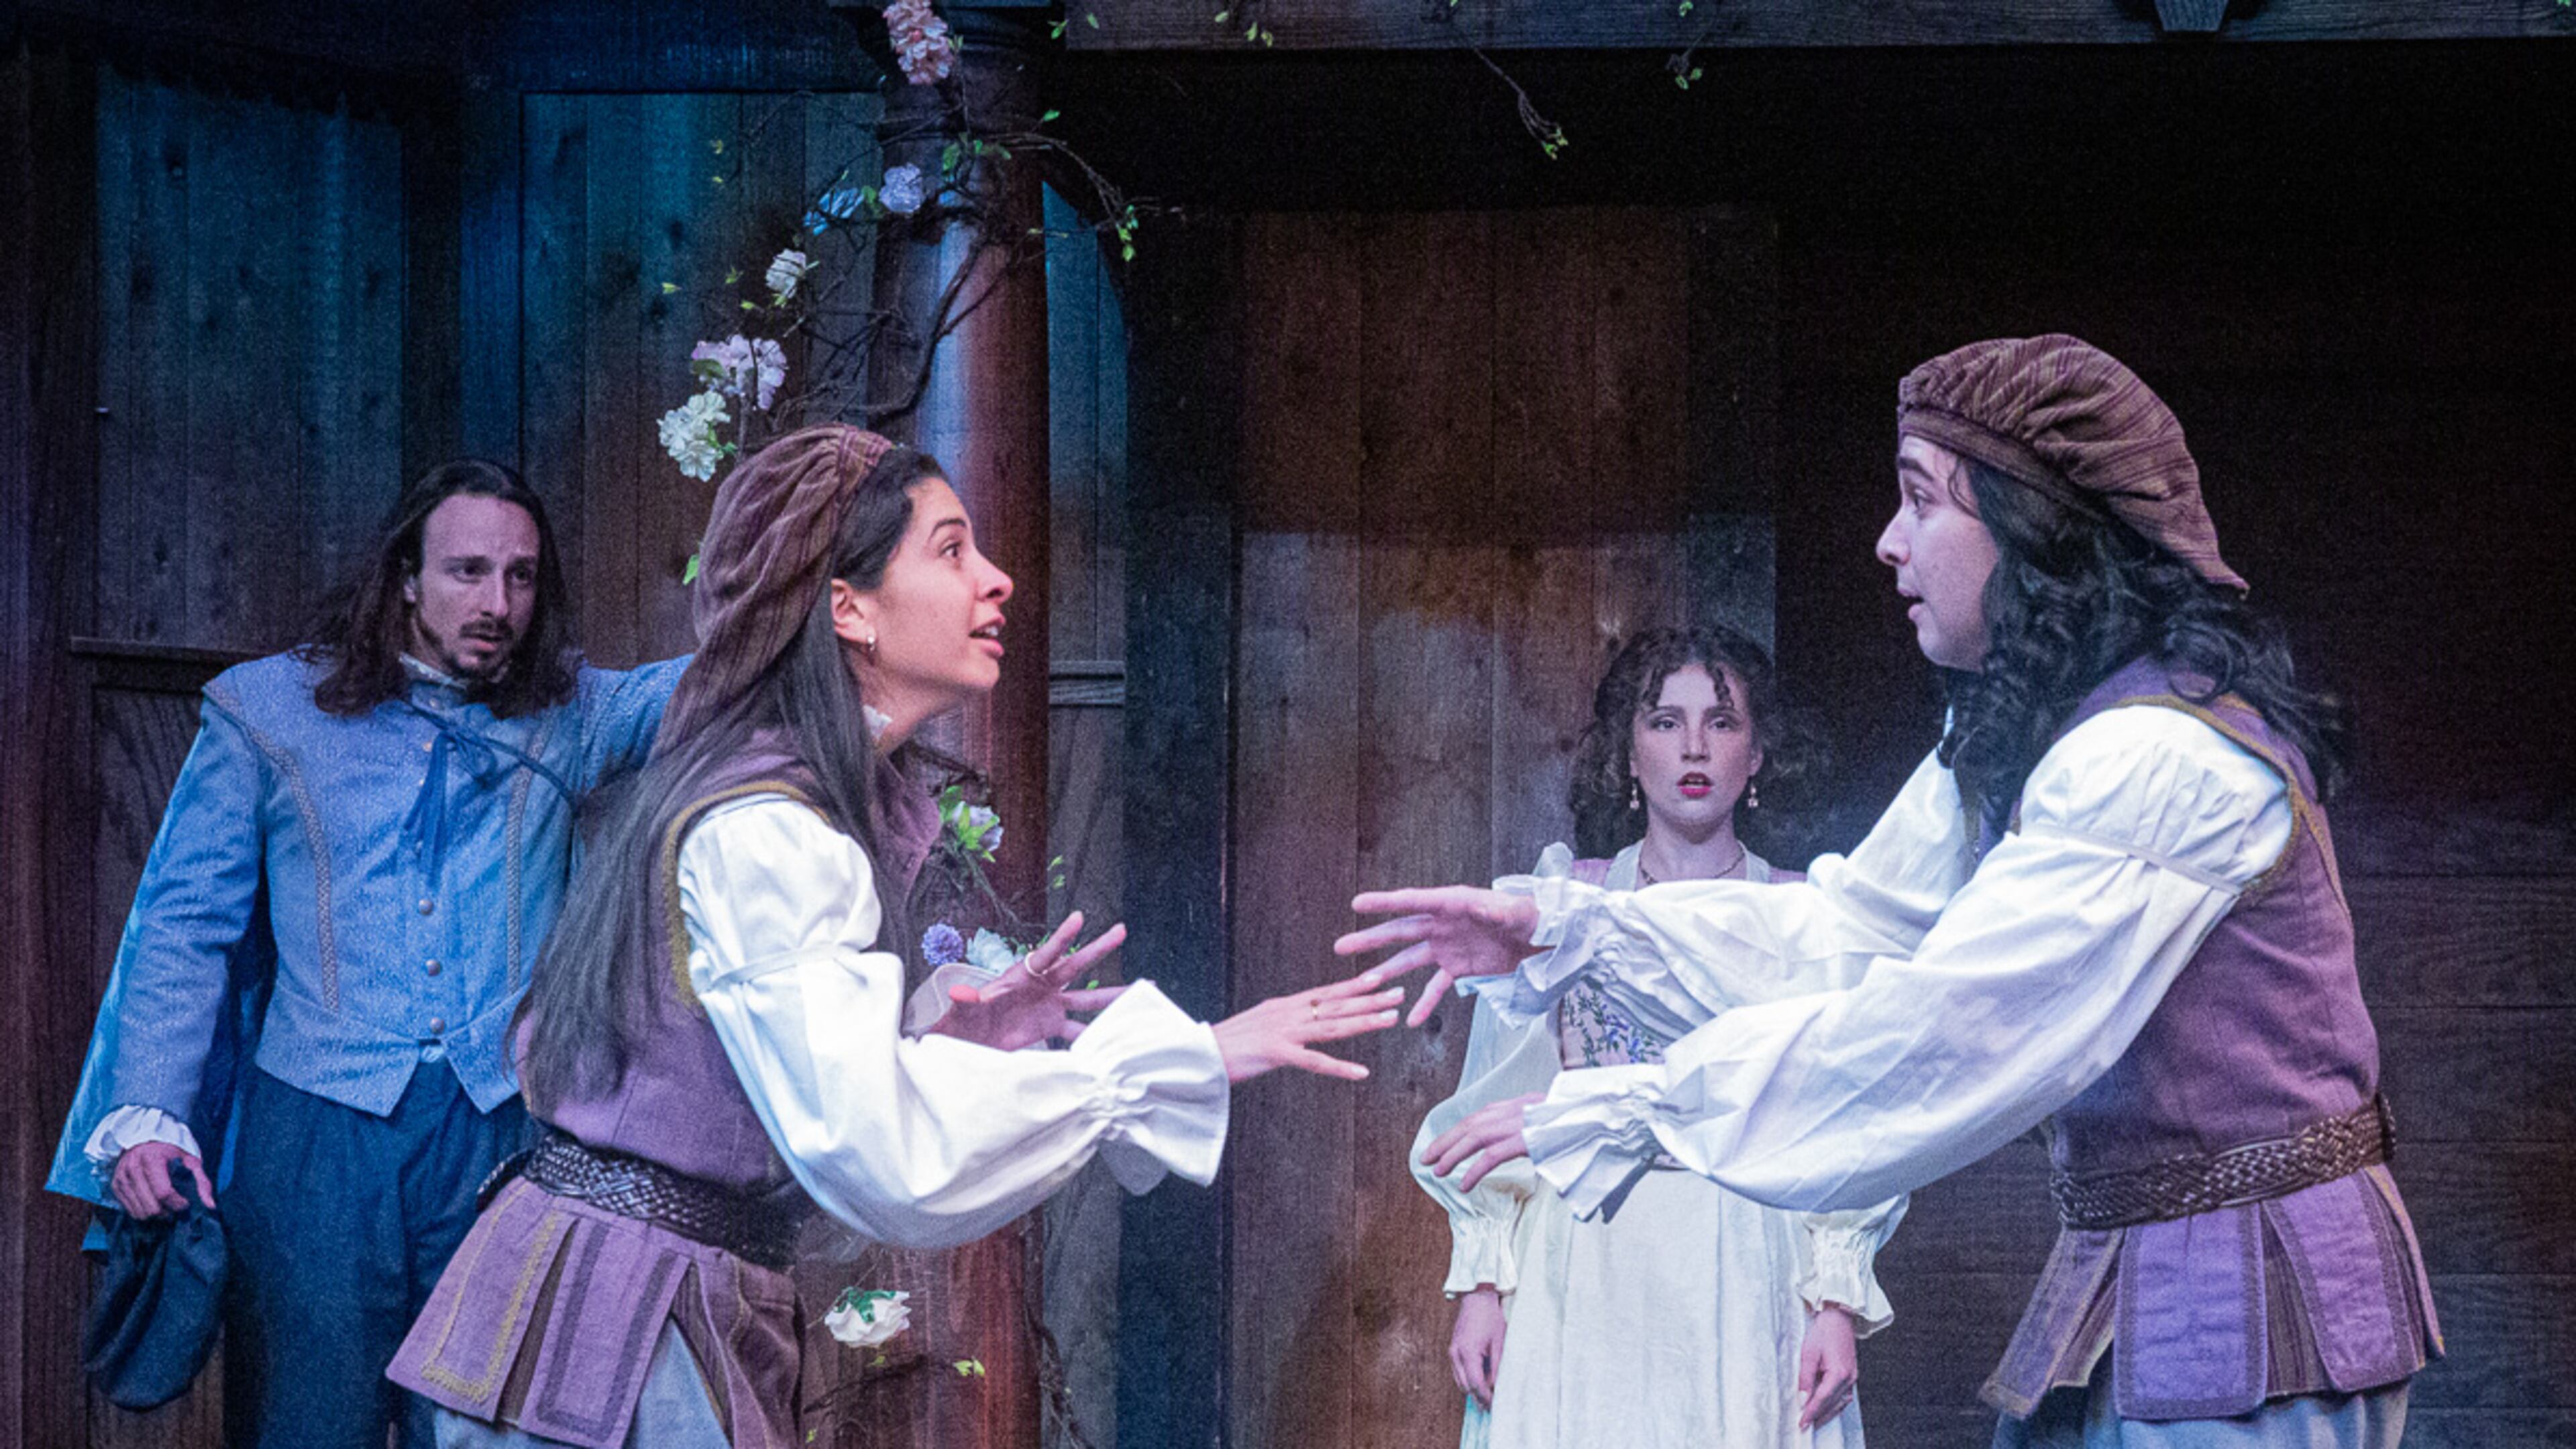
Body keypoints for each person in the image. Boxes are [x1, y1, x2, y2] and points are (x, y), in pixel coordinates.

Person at [1348, 336, 2438, 1447]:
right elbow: (1851, 930)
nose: (1888, 540)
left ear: (2031, 525)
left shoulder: (2158, 761)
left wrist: (1630, 1108)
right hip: (2139, 1272)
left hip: (2253, 1297)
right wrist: (1575, 930)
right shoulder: (2019, 729)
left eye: (1922, 501)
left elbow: (1946, 1028)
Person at [389, 425, 1403, 1448]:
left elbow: (769, 1090)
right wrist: (1171, 1062)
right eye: (952, 550)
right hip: (619, 1335)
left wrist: (936, 1046)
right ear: (849, 608)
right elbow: (873, 1153)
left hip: (659, 1305)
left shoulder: (795, 802)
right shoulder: (765, 829)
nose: (997, 580)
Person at [49, 460, 688, 1448]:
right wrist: (148, 1113)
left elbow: (718, 689)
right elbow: (184, 925)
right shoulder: (267, 712)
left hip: (504, 1132)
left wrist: (831, 574)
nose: (498, 602)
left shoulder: (573, 714)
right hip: (316, 1138)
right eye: (469, 572)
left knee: (493, 1426)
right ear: (405, 577)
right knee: (309, 1426)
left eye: (520, 577)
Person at [1413, 625, 1902, 1449]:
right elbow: (1498, 1097)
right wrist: (1484, 1285)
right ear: (1629, 757)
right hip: (1588, 1252)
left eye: (1722, 722)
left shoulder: (1800, 914)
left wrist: (1837, 1299)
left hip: (1746, 1248)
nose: (1695, 746)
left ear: (1756, 756)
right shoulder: (1565, 902)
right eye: (1666, 722)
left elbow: (1848, 1115)